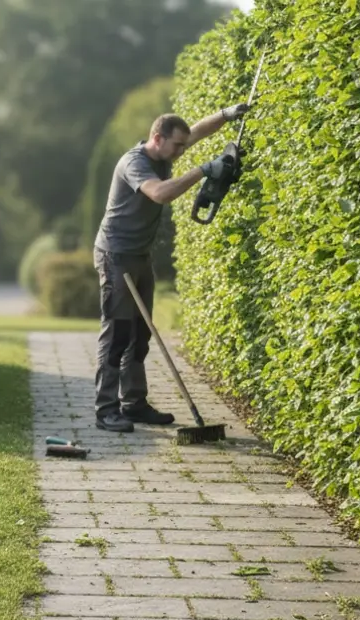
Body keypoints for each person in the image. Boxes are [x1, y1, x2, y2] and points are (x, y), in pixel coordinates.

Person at [91, 103, 251, 433]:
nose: (182, 150)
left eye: (183, 145)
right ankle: (106, 409)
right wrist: (204, 170)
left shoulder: (166, 153)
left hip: (139, 256)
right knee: (118, 334)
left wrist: (227, 114)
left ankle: (134, 404)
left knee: (141, 333)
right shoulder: (134, 163)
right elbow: (160, 194)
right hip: (116, 255)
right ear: (157, 138)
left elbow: (199, 131)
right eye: (177, 145)